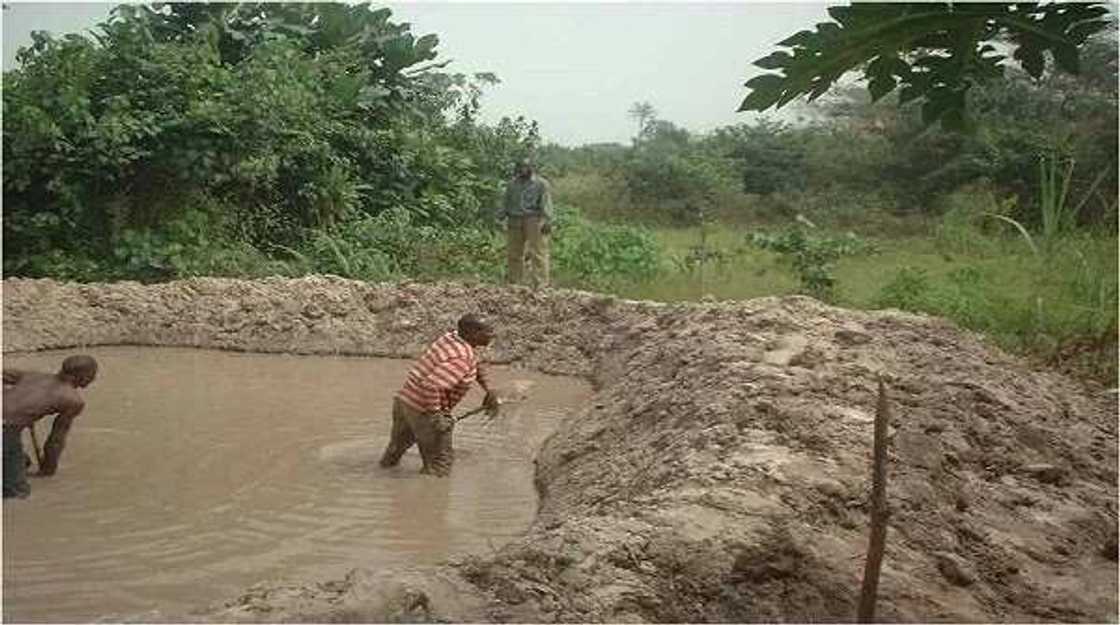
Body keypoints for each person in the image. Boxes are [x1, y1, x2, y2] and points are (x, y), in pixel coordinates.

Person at [379, 315, 498, 477]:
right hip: (425, 411)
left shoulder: (452, 338)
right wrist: (436, 416)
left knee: (395, 450)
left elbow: (475, 362)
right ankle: (429, 499)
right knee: (438, 466)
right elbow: (431, 385)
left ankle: (383, 477)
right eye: (488, 331)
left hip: (405, 401)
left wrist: (489, 389)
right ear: (472, 333)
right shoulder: (462, 359)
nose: (493, 335)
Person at [3, 355, 98, 499]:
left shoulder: (33, 376)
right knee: (17, 493)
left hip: (6, 427)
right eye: (92, 375)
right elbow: (55, 441)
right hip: (4, 428)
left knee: (24, 462)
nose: (93, 379)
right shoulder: (73, 400)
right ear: (82, 376)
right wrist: (47, 471)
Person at [500, 159, 553, 288]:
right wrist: (500, 217)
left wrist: (548, 220)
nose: (523, 169)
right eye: (520, 167)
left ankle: (541, 284)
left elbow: (546, 203)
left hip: (533, 219)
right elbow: (505, 202)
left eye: (526, 167)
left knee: (538, 253)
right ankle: (515, 282)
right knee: (514, 253)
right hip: (514, 219)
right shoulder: (512, 184)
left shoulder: (541, 184)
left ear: (531, 168)